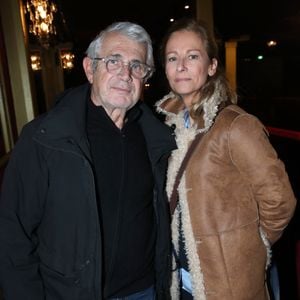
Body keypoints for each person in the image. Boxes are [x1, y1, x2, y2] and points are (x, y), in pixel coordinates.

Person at [0, 21, 176, 300]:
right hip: (69, 293)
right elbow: (12, 233)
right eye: (113, 61)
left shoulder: (157, 138)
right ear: (89, 69)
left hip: (143, 291)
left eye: (136, 65)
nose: (125, 74)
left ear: (145, 77)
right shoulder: (45, 138)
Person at [156, 18, 297, 300]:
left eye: (192, 56)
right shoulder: (164, 125)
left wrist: (251, 247)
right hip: (183, 282)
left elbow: (281, 201)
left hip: (231, 286)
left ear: (211, 66)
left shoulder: (235, 126)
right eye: (173, 58)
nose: (181, 65)